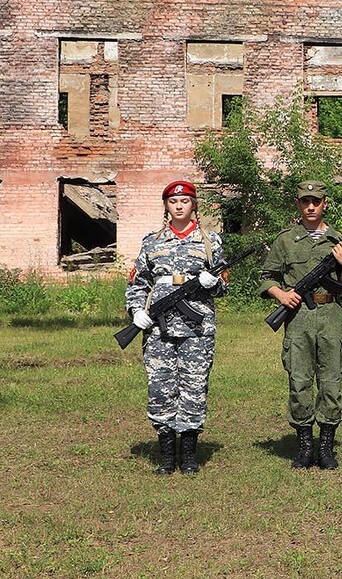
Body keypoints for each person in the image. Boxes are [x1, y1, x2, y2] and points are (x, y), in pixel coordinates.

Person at [125, 180, 225, 475]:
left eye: (185, 201)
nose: (179, 206)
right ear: (166, 206)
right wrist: (136, 312)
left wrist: (213, 282)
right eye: (173, 201)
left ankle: (190, 456)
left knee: (194, 387)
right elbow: (138, 282)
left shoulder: (210, 241)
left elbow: (224, 284)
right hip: (158, 328)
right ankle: (167, 456)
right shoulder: (152, 242)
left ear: (194, 205)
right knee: (160, 387)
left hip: (198, 328)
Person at [259, 180, 342, 470]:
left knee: (330, 380)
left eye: (316, 201)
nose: (310, 207)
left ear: (325, 204)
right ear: (298, 204)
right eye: (305, 201)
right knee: (299, 380)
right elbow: (266, 276)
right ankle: (304, 446)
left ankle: (325, 446)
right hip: (298, 317)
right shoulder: (286, 240)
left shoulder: (337, 241)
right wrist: (281, 294)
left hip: (329, 315)